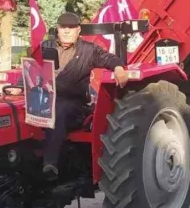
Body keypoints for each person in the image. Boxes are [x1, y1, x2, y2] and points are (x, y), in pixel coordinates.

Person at [39, 12, 129, 180]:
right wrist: (18, 87)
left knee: (58, 110)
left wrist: (118, 67)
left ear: (78, 30)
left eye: (71, 28)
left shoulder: (89, 50)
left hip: (74, 104)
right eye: (63, 27)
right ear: (57, 29)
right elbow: (32, 70)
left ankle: (49, 163)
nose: (66, 31)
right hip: (43, 100)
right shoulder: (45, 47)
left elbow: (107, 58)